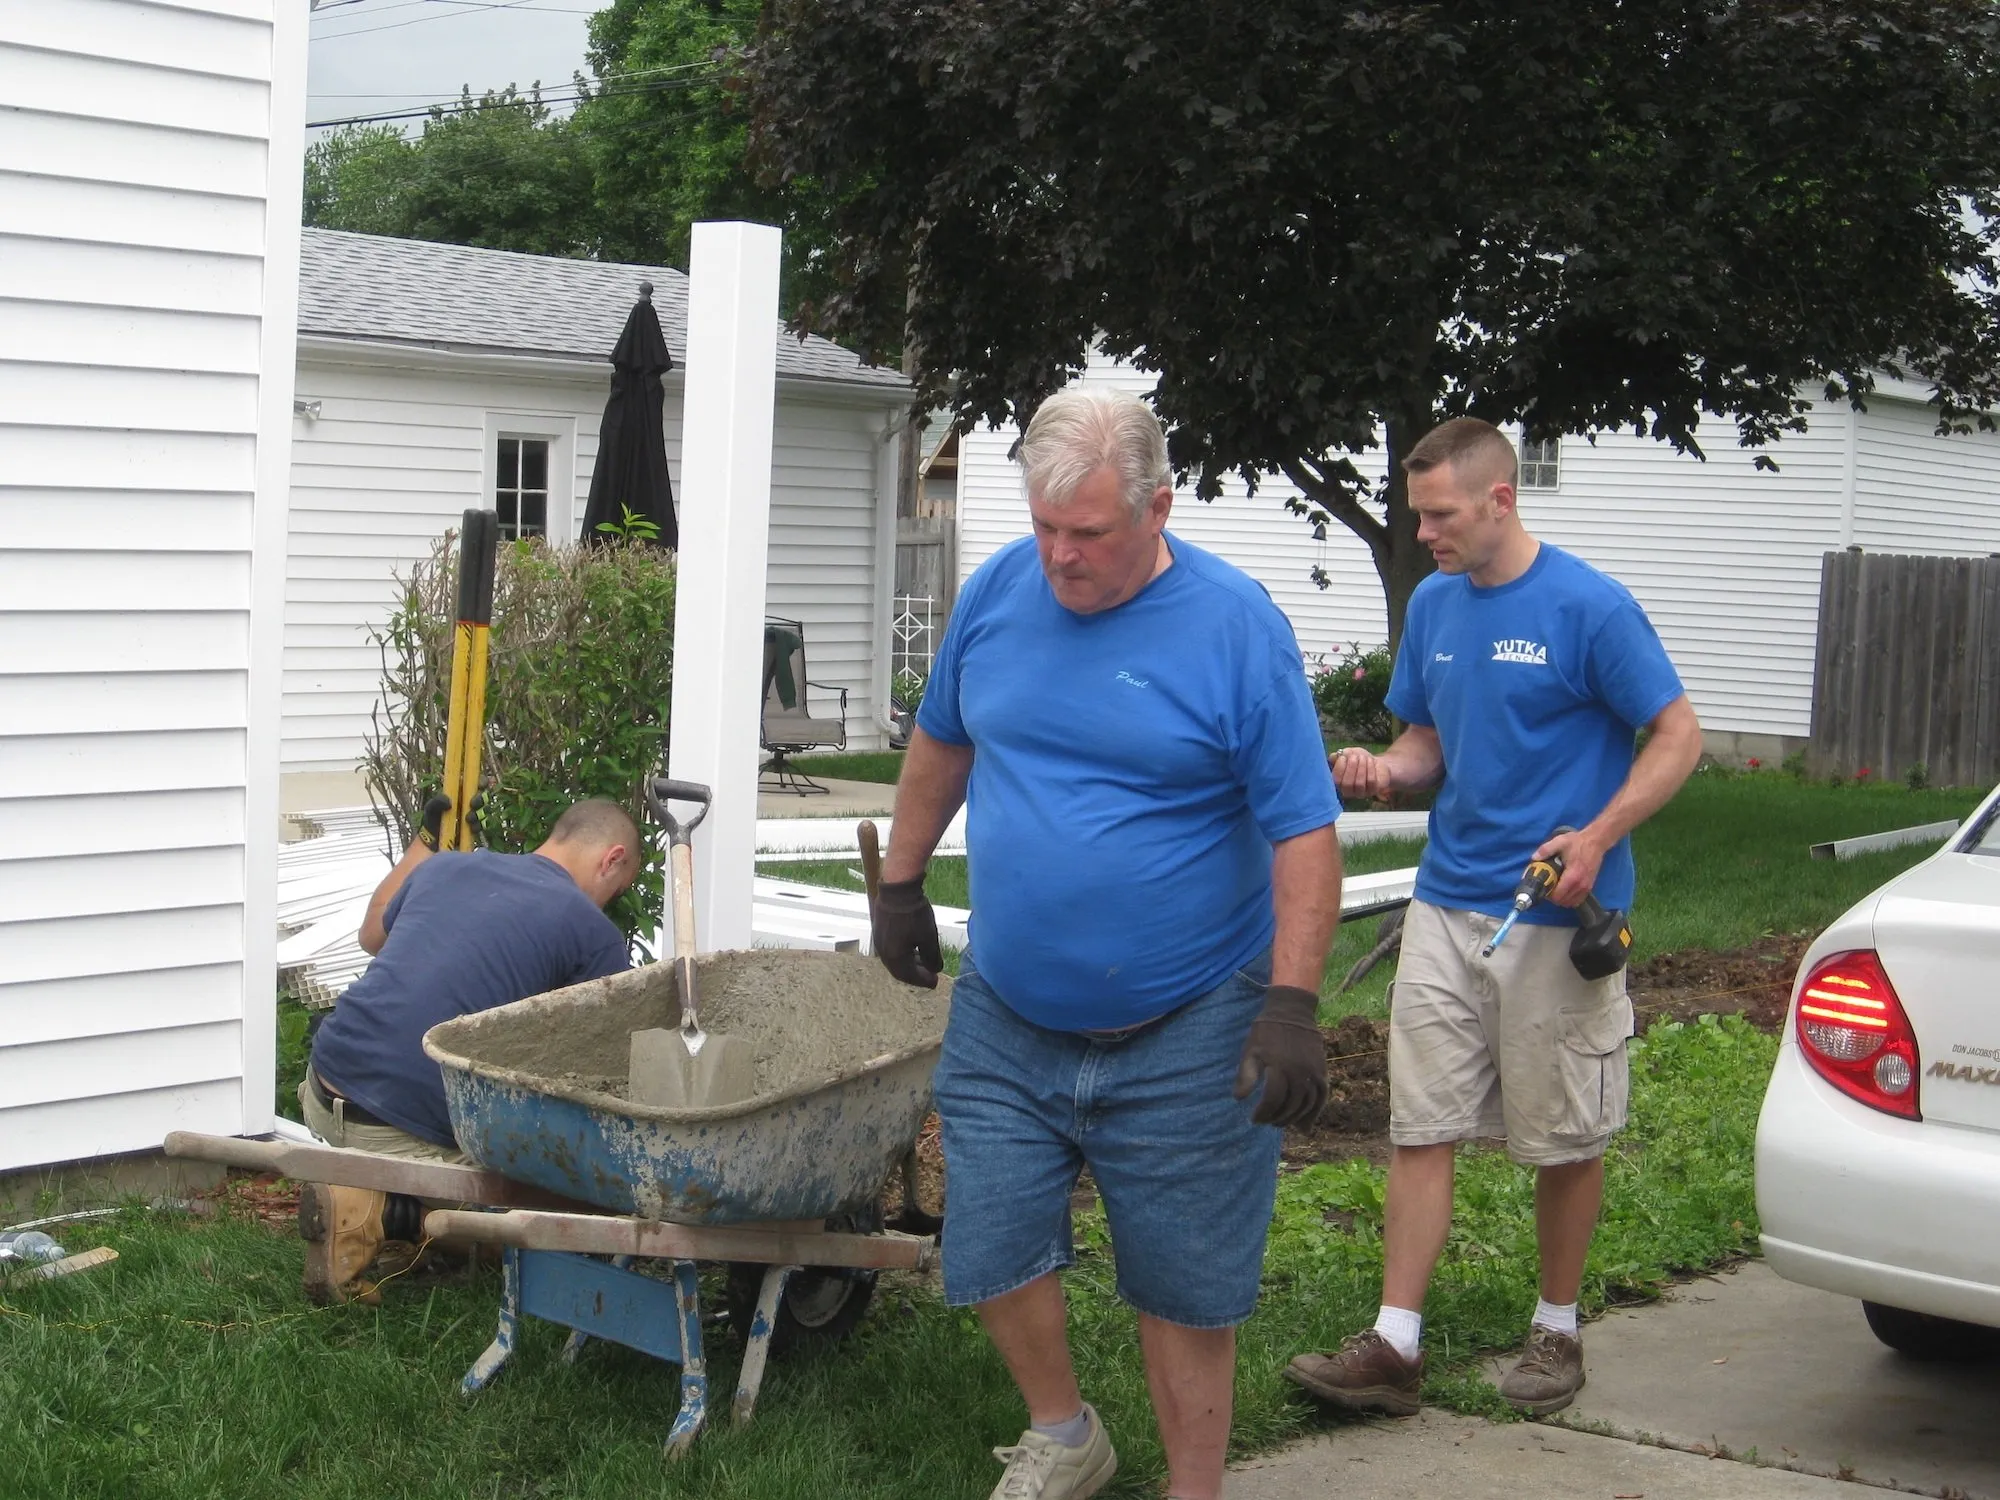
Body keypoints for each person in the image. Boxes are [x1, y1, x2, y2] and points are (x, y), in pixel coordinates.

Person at [871, 387, 1344, 1500]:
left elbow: (1301, 832)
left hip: (1189, 1014)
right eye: (1042, 528)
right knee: (984, 1235)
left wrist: (1291, 1005)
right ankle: (1065, 1431)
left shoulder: (1234, 628)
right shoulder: (996, 593)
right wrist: (899, 881)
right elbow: (942, 741)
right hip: (1009, 1001)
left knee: (1180, 1280)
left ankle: (1193, 1489)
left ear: (1158, 508)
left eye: (1086, 533)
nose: (1060, 557)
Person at [1284, 417, 1703, 1417]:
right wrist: (1387, 770)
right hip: (1445, 901)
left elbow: (1676, 736)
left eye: (1438, 514)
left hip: (1559, 918)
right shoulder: (1433, 605)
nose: (1423, 532)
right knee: (1419, 1125)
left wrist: (1596, 833)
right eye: (1415, 513)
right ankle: (1394, 1345)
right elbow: (1425, 736)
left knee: (1562, 1137)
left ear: (1499, 500)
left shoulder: (1587, 608)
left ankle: (1555, 1330)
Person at [295, 796, 640, 1303]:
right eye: (618, 887)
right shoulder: (589, 930)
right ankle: (376, 1210)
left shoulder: (444, 867)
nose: (608, 901)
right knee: (565, 1217)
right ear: (610, 860)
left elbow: (372, 934)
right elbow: (614, 1061)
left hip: (323, 1087)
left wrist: (424, 842)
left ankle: (378, 1196)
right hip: (395, 1125)